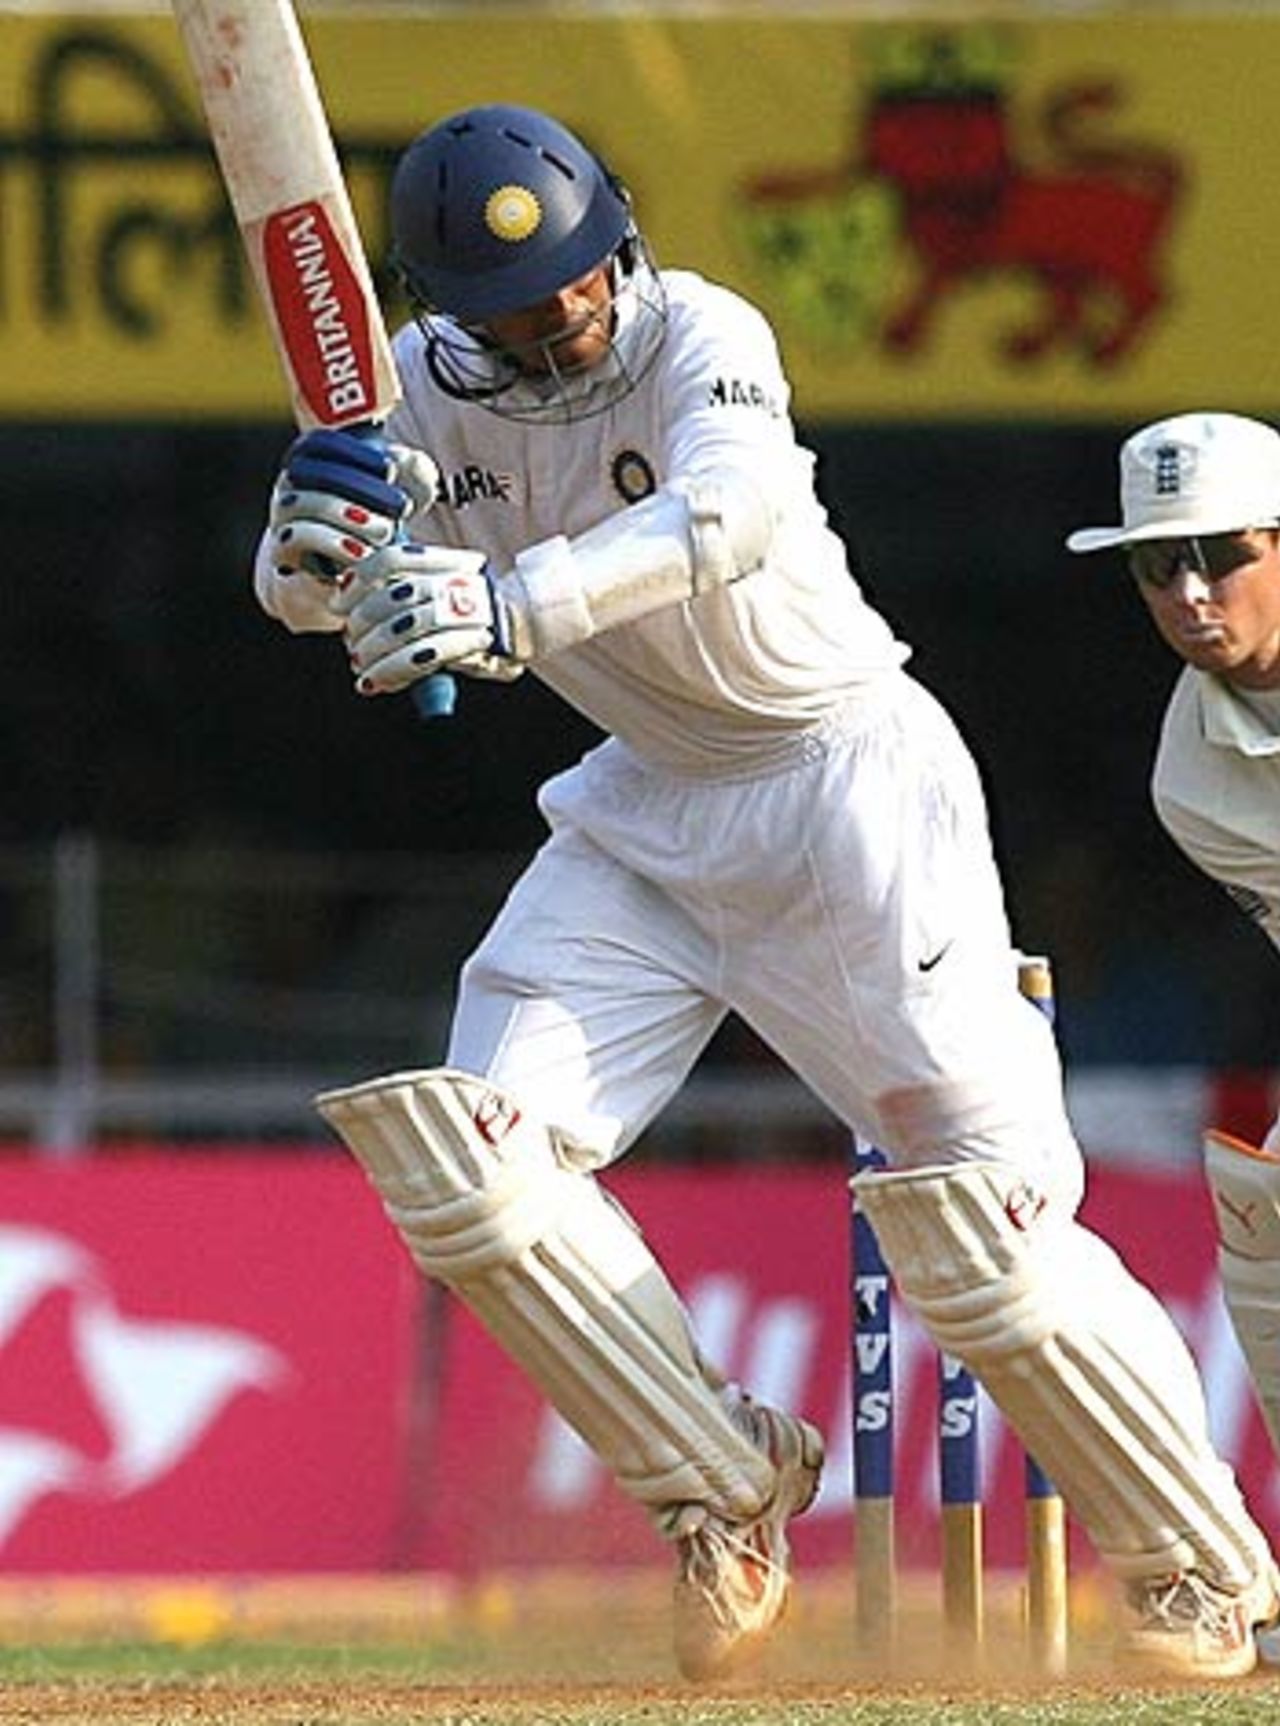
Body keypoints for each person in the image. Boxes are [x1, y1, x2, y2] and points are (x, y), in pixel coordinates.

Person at [253, 106, 1278, 1680]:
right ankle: (723, 1486)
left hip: (847, 784)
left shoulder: (698, 334)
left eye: (585, 282)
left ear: (622, 241)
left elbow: (722, 519)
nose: (569, 320)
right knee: (465, 1160)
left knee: (987, 1232)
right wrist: (309, 549)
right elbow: (318, 594)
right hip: (642, 810)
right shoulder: (409, 399)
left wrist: (508, 600)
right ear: (455, 320)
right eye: (525, 316)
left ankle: (1205, 1567)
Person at [1068, 410, 1280, 1495]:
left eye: (1221, 556)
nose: (1190, 594)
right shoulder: (1189, 779)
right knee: (1265, 1209)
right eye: (1158, 565)